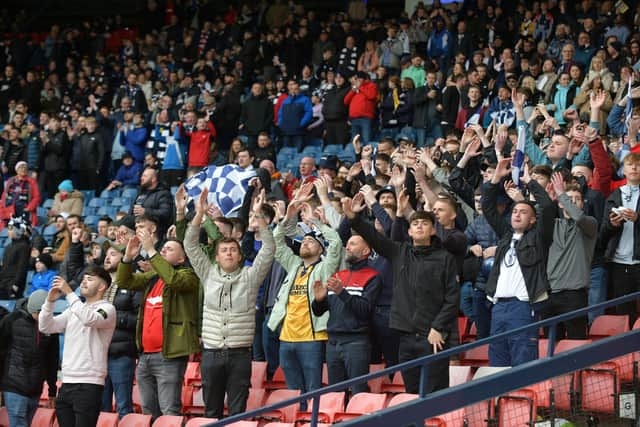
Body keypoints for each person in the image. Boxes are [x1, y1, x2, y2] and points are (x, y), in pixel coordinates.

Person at [343, 193, 459, 394]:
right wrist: (354, 218)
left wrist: (438, 327)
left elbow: (452, 298)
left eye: (424, 223)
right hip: (405, 337)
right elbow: (374, 237)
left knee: (436, 392)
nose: (419, 226)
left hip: (433, 336)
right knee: (411, 393)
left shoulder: (445, 257)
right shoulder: (399, 252)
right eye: (415, 224)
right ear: (410, 231)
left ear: (433, 230)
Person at [184, 189, 275, 419]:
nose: (228, 253)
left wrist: (258, 216)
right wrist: (199, 215)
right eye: (224, 250)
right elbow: (190, 245)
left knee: (237, 413)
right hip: (212, 353)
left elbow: (269, 249)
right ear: (216, 256)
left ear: (239, 255)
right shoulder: (207, 272)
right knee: (211, 411)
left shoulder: (250, 276)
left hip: (240, 354)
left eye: (233, 250)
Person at [267, 187, 342, 402]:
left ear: (320, 249)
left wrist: (315, 222)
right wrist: (290, 215)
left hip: (312, 338)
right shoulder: (293, 265)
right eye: (303, 241)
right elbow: (276, 242)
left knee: (312, 390)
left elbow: (336, 243)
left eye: (311, 241)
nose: (305, 243)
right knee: (293, 392)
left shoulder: (325, 267)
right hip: (286, 338)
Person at [116, 229, 200, 420]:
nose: (163, 251)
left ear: (181, 259)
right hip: (145, 356)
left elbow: (173, 279)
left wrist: (151, 251)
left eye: (169, 249)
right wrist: (128, 258)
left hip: (169, 355)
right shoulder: (153, 278)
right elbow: (124, 280)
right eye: (162, 248)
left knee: (169, 411)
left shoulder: (189, 276)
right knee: (148, 411)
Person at [39, 268, 116, 427]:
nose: (84, 281)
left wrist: (69, 293)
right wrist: (49, 302)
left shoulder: (108, 309)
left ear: (102, 287)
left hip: (89, 383)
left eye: (90, 279)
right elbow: (46, 326)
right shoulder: (73, 310)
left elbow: (89, 319)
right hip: (67, 382)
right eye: (84, 278)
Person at [311, 234, 381, 394]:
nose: (347, 247)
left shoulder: (373, 277)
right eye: (347, 244)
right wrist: (319, 300)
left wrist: (342, 292)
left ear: (365, 251)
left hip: (356, 342)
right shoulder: (338, 275)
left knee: (358, 391)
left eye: (353, 244)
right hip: (333, 342)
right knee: (335, 393)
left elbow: (365, 311)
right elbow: (319, 312)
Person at [0, 290, 59, 427]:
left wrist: (52, 390)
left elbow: (52, 360)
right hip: (13, 385)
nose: (41, 317)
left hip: (36, 388)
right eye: (38, 313)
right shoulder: (11, 320)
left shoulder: (51, 326)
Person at [101, 242, 141, 418]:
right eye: (106, 254)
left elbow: (140, 318)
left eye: (113, 254)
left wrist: (114, 317)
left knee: (123, 406)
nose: (107, 257)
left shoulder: (133, 283)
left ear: (125, 258)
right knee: (101, 408)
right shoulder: (100, 285)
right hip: (100, 353)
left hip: (122, 353)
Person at [601, 152, 640, 326]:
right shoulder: (614, 194)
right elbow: (603, 232)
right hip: (618, 262)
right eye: (630, 165)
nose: (634, 168)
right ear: (623, 170)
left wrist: (638, 218)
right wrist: (612, 224)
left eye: (638, 165)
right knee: (624, 311)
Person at [130, 166, 175, 239]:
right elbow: (131, 213)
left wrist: (146, 211)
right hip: (137, 228)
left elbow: (166, 213)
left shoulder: (163, 193)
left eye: (145, 176)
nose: (141, 178)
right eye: (142, 175)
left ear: (153, 179)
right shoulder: (140, 193)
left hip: (155, 233)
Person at [0, 161, 41, 226]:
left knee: (25, 233)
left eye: (25, 167)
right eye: (21, 167)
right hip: (10, 211)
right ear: (16, 170)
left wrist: (29, 208)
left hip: (25, 212)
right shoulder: (10, 181)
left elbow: (37, 197)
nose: (23, 169)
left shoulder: (31, 182)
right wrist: (2, 208)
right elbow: (4, 196)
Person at [0, 216, 32, 298]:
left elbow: (22, 267)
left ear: (18, 230)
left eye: (11, 229)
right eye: (9, 229)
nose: (8, 232)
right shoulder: (8, 247)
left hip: (13, 284)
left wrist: (16, 284)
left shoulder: (24, 246)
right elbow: (4, 267)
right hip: (3, 283)